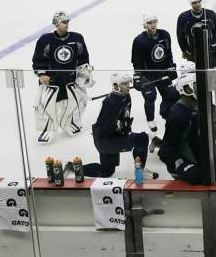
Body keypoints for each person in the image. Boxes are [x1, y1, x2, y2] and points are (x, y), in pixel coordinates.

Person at [32, 11, 93, 144]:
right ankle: (47, 129)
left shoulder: (77, 38)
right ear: (56, 24)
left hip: (70, 80)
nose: (67, 24)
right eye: (63, 22)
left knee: (76, 104)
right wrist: (42, 74)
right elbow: (38, 59)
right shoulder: (45, 40)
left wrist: (85, 72)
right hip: (51, 82)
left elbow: (83, 58)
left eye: (67, 21)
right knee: (44, 105)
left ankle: (69, 123)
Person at [80, 73, 156, 179]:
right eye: (124, 84)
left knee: (106, 171)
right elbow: (105, 128)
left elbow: (124, 118)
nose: (128, 86)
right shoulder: (111, 103)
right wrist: (124, 129)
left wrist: (125, 127)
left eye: (128, 83)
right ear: (116, 86)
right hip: (105, 140)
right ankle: (140, 171)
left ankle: (75, 168)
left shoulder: (126, 97)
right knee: (141, 138)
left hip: (110, 137)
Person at [131, 13, 179, 132]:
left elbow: (168, 53)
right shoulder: (139, 41)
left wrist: (171, 66)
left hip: (162, 73)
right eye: (149, 23)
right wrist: (138, 76)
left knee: (171, 94)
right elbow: (136, 62)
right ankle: (150, 120)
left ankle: (168, 114)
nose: (152, 25)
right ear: (145, 25)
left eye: (154, 22)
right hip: (147, 76)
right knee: (150, 97)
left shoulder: (164, 34)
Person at [176, 0, 216, 67]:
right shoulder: (183, 17)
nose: (197, 4)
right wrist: (185, 50)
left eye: (199, 2)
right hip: (193, 52)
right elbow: (180, 36)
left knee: (213, 72)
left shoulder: (210, 14)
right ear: (191, 4)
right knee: (197, 75)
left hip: (211, 50)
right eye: (194, 3)